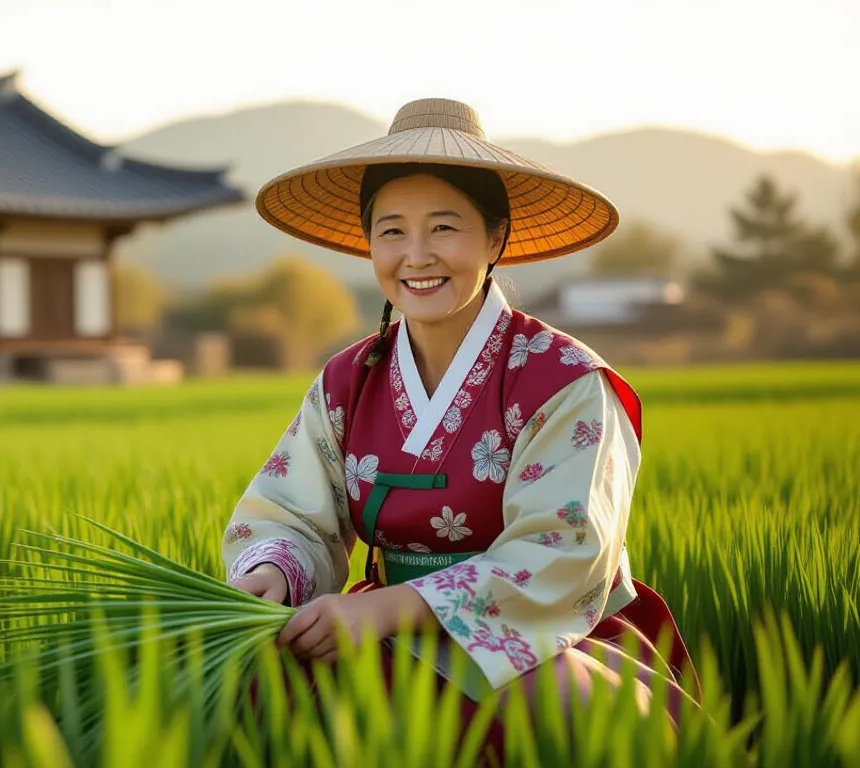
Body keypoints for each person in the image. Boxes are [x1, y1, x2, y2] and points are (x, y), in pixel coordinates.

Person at [222, 98, 697, 732]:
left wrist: (395, 609)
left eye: (444, 227)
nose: (416, 255)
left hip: (542, 637)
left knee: (543, 716)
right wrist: (273, 573)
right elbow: (289, 511)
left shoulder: (565, 380)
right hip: (376, 622)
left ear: (495, 237)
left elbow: (563, 550)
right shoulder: (347, 381)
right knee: (248, 690)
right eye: (391, 230)